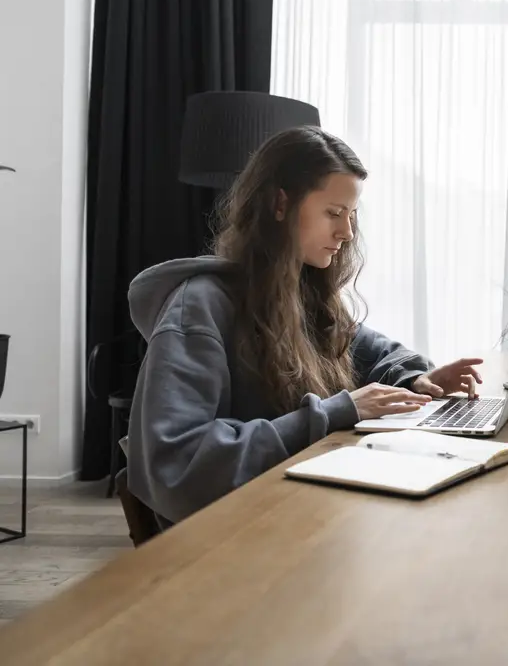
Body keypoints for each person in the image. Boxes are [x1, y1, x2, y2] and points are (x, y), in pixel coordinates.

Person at [126, 126, 483, 526]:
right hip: (229, 540)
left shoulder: (303, 295)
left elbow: (373, 350)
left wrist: (416, 378)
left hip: (298, 511)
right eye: (333, 213)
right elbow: (178, 464)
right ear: (280, 203)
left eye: (351, 215)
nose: (347, 233)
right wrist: (331, 414)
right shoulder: (198, 308)